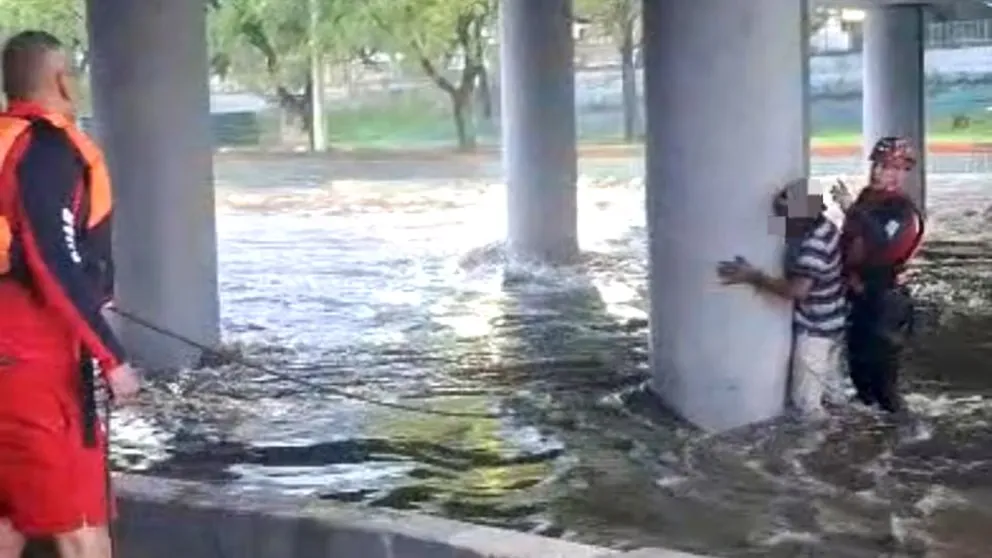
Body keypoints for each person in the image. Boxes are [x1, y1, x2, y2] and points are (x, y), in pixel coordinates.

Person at [0, 30, 141, 558]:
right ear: (60, 79)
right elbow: (52, 260)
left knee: (10, 515)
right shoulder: (46, 150)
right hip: (32, 362)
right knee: (80, 526)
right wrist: (112, 357)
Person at [716, 180, 847, 420]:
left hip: (816, 331)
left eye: (786, 214)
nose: (781, 220)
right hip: (834, 323)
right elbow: (778, 228)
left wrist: (753, 276)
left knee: (807, 405)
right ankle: (854, 432)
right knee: (833, 394)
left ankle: (828, 447)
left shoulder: (813, 245)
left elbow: (797, 291)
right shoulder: (824, 226)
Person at [831, 137, 925, 415]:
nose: (879, 172)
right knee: (859, 373)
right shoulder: (867, 199)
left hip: (885, 301)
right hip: (861, 296)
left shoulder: (901, 209)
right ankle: (873, 442)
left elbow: (883, 239)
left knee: (883, 383)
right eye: (878, 165)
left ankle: (903, 438)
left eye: (890, 167)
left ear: (902, 173)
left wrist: (852, 209)